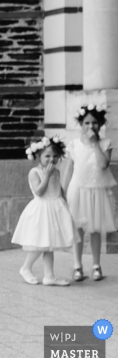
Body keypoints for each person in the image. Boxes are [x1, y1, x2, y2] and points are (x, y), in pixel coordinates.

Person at [63, 104, 117, 281]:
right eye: (87, 122)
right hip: (77, 190)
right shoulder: (74, 144)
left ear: (100, 123)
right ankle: (77, 266)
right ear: (81, 123)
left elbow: (103, 165)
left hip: (96, 191)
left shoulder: (105, 144)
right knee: (78, 229)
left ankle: (96, 265)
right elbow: (68, 170)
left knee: (94, 229)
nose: (91, 126)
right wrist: (62, 192)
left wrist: (95, 144)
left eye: (95, 122)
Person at [12, 137, 75, 286]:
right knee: (41, 244)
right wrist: (46, 176)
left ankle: (49, 276)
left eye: (55, 156)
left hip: (55, 209)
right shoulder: (35, 172)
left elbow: (58, 190)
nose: (51, 159)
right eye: (47, 156)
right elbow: (39, 192)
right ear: (38, 156)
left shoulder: (56, 172)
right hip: (41, 211)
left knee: (49, 244)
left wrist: (64, 202)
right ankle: (26, 268)